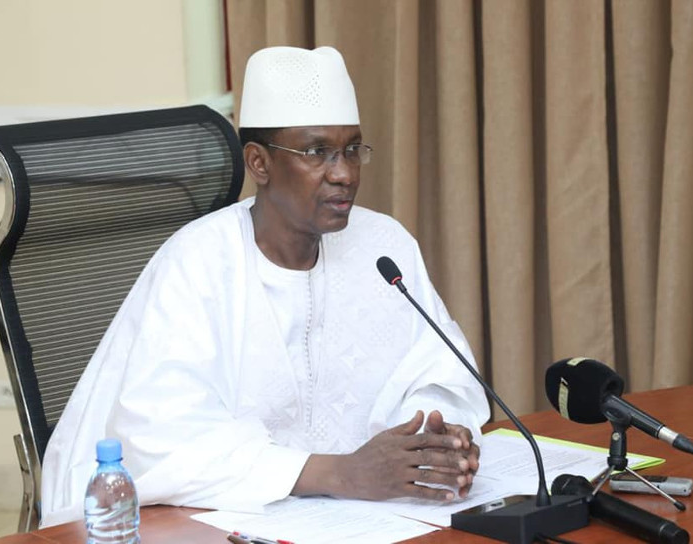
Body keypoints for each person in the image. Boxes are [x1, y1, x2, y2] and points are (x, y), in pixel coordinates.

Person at [40, 46, 490, 528]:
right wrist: (340, 473)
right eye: (317, 152)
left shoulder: (384, 245)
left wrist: (434, 442)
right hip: (212, 524)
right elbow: (158, 438)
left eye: (352, 149)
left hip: (371, 522)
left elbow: (441, 374)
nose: (344, 173)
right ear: (258, 163)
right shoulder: (198, 263)